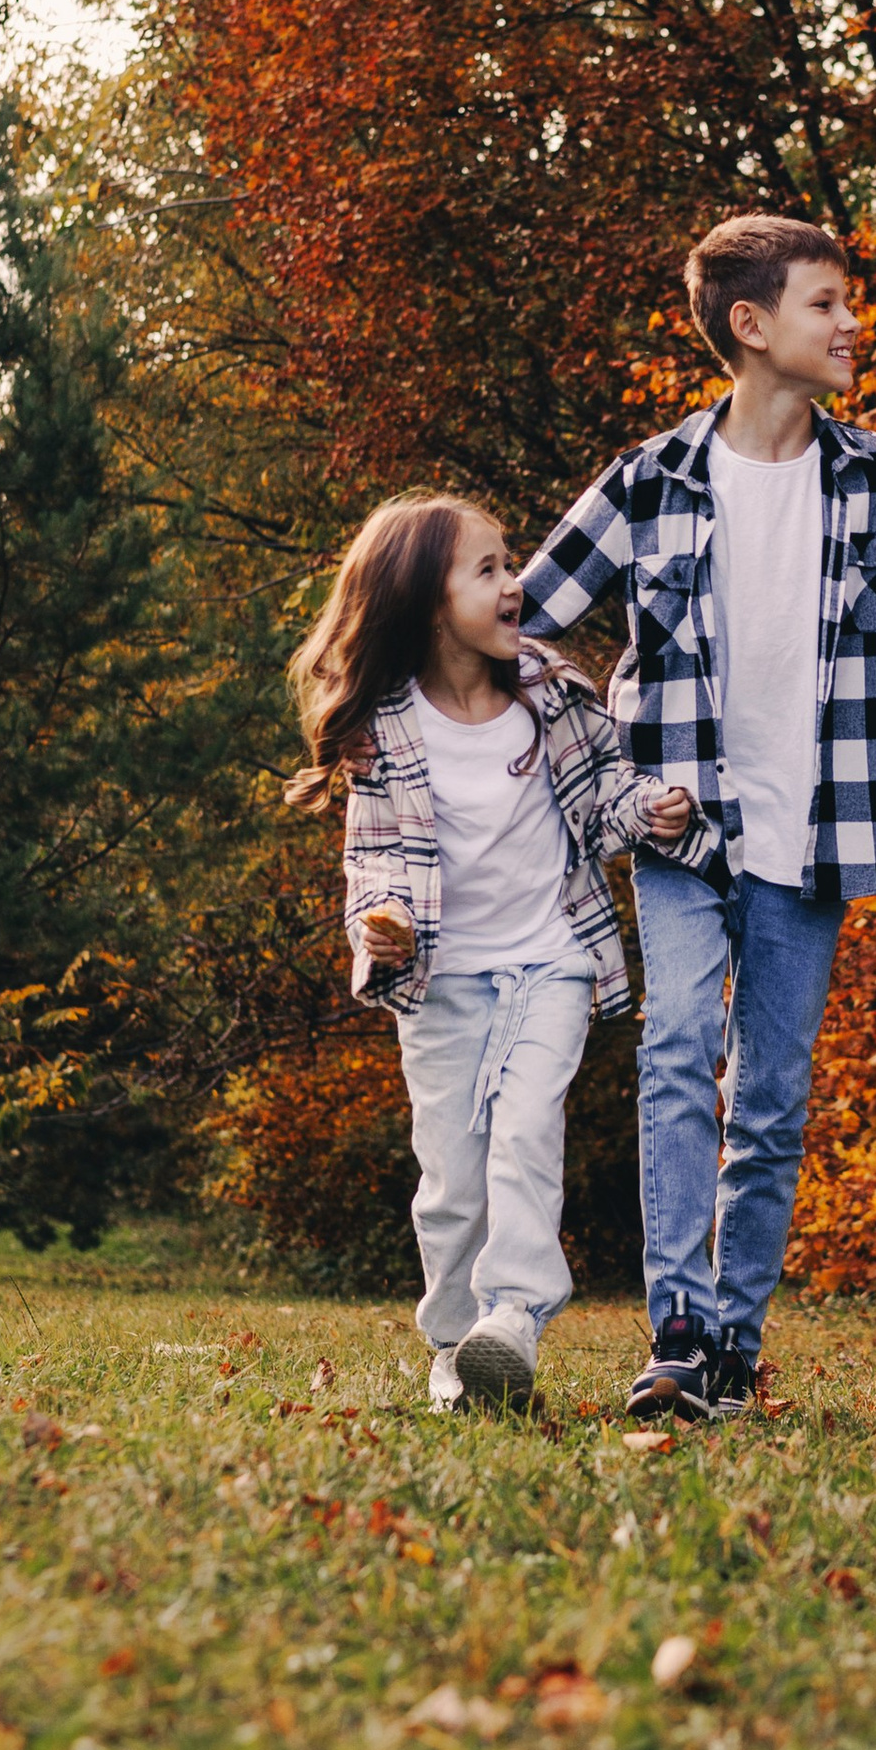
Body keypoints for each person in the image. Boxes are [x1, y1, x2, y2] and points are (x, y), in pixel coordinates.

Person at [520, 215, 876, 1425]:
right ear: (750, 327)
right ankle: (679, 1330)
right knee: (679, 1048)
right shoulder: (650, 480)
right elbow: (524, 618)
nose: (851, 324)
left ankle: (734, 1343)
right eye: (825, 303)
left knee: (775, 1096)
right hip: (685, 832)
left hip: (818, 835)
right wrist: (606, 759)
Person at [286, 493, 697, 1416]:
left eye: (509, 565)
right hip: (440, 982)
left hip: (552, 959)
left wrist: (650, 812)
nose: (515, 585)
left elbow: (601, 800)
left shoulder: (550, 691)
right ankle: (452, 1350)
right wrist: (382, 919)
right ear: (430, 603)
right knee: (452, 1178)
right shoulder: (385, 728)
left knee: (524, 1135)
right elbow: (376, 858)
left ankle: (512, 1315)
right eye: (487, 570)